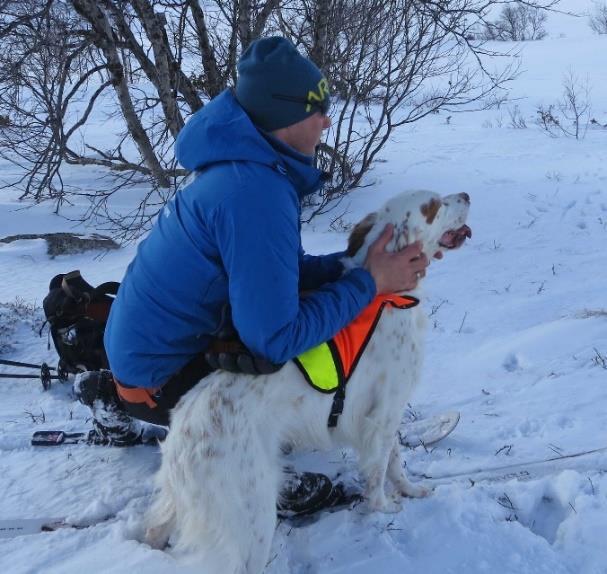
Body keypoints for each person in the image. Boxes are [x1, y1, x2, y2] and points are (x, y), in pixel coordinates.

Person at [75, 36, 433, 514]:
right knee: (299, 355)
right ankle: (259, 477)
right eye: (317, 110)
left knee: (308, 310)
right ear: (285, 117)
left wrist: (350, 267)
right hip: (162, 376)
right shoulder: (255, 191)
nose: (327, 120)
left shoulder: (246, 169)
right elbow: (274, 340)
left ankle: (117, 396)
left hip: (143, 354)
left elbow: (272, 271)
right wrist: (369, 282)